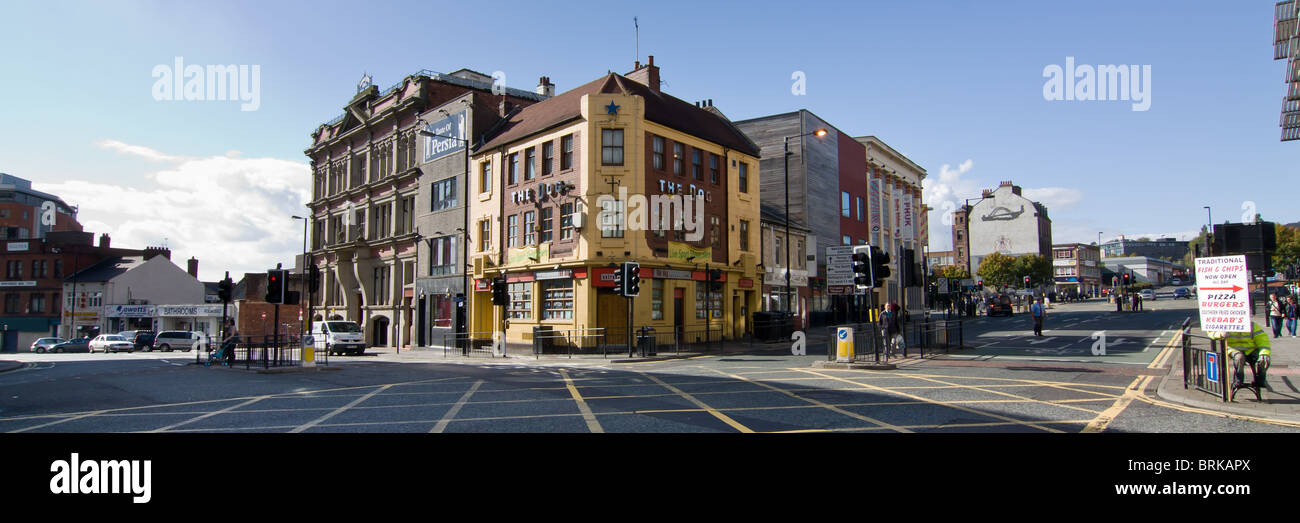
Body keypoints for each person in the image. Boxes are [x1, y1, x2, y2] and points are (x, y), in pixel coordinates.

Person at [1208, 321, 1271, 394]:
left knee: (1263, 360)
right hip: (1234, 349)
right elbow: (1211, 332)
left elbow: (1262, 339)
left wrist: (1264, 354)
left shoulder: (1252, 325)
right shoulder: (1224, 323)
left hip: (1250, 349)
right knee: (1239, 358)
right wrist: (1220, 334)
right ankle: (1238, 381)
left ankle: (1259, 381)